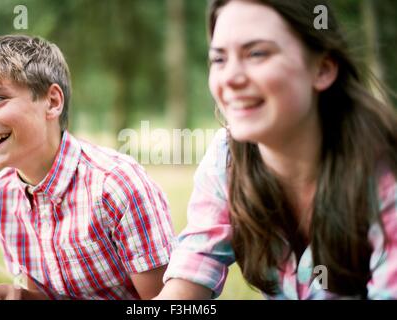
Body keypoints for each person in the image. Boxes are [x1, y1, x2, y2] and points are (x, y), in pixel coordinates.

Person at [156, 0, 397, 300]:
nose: (230, 78)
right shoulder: (226, 158)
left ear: (322, 69)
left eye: (256, 54)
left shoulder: (384, 170)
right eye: (219, 60)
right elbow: (192, 274)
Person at [0, 34, 176, 300]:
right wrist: (24, 297)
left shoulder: (117, 185)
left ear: (52, 102)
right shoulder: (0, 198)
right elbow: (47, 294)